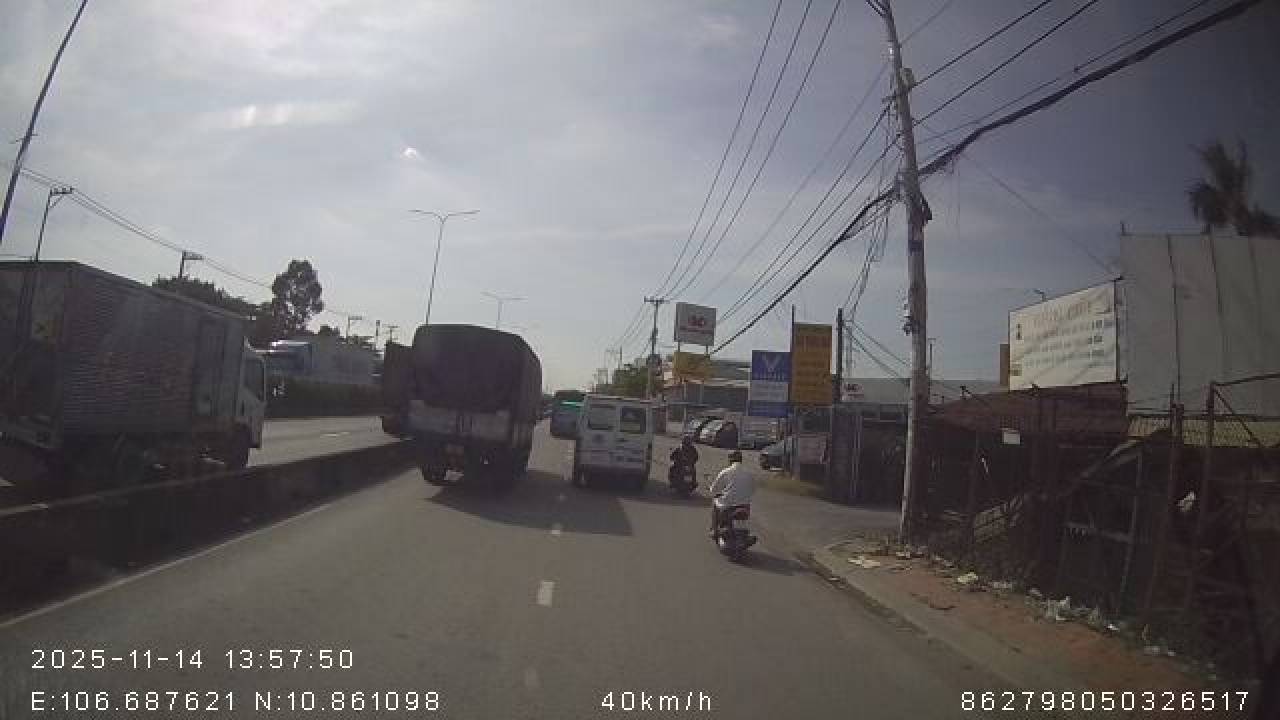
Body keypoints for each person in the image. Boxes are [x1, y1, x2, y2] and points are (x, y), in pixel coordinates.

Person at [709, 450, 757, 535]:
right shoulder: (750, 473)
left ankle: (714, 529)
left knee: (715, 502)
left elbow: (714, 489)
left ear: (730, 460)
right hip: (745, 505)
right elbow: (753, 489)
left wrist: (715, 491)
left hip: (727, 504)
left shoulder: (725, 471)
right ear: (741, 459)